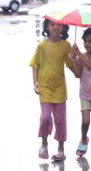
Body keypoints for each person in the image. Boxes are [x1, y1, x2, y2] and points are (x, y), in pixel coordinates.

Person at [30, 18, 75, 161]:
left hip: (60, 88)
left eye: (59, 24)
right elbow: (35, 64)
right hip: (45, 87)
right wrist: (35, 82)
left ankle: (61, 149)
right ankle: (44, 144)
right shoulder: (42, 46)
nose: (56, 27)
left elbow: (71, 66)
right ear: (47, 27)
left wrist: (75, 58)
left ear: (64, 27)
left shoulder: (66, 45)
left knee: (60, 120)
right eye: (52, 24)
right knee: (45, 118)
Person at [70, 27, 91, 158]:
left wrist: (78, 53)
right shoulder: (81, 56)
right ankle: (84, 138)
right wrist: (74, 60)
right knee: (85, 121)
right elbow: (78, 75)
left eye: (90, 41)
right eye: (85, 41)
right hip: (84, 95)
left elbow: (90, 65)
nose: (87, 44)